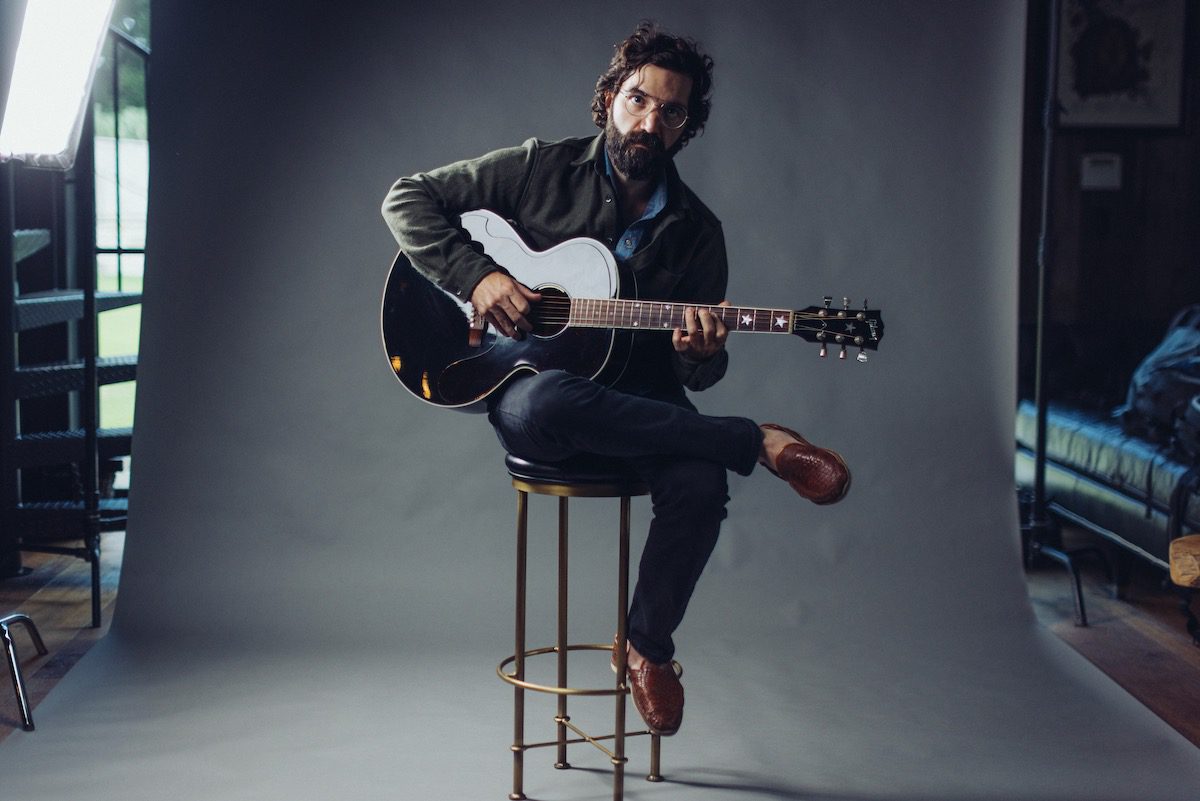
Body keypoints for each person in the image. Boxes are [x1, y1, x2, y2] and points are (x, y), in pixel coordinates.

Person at [382, 21, 849, 738]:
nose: (649, 122)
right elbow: (406, 199)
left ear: (687, 127)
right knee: (546, 397)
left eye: (670, 112)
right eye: (638, 100)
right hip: (537, 390)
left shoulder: (698, 231)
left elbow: (702, 372)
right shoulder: (540, 168)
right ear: (609, 99)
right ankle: (756, 441)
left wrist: (700, 350)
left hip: (643, 400)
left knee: (699, 483)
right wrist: (480, 278)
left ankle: (646, 649)